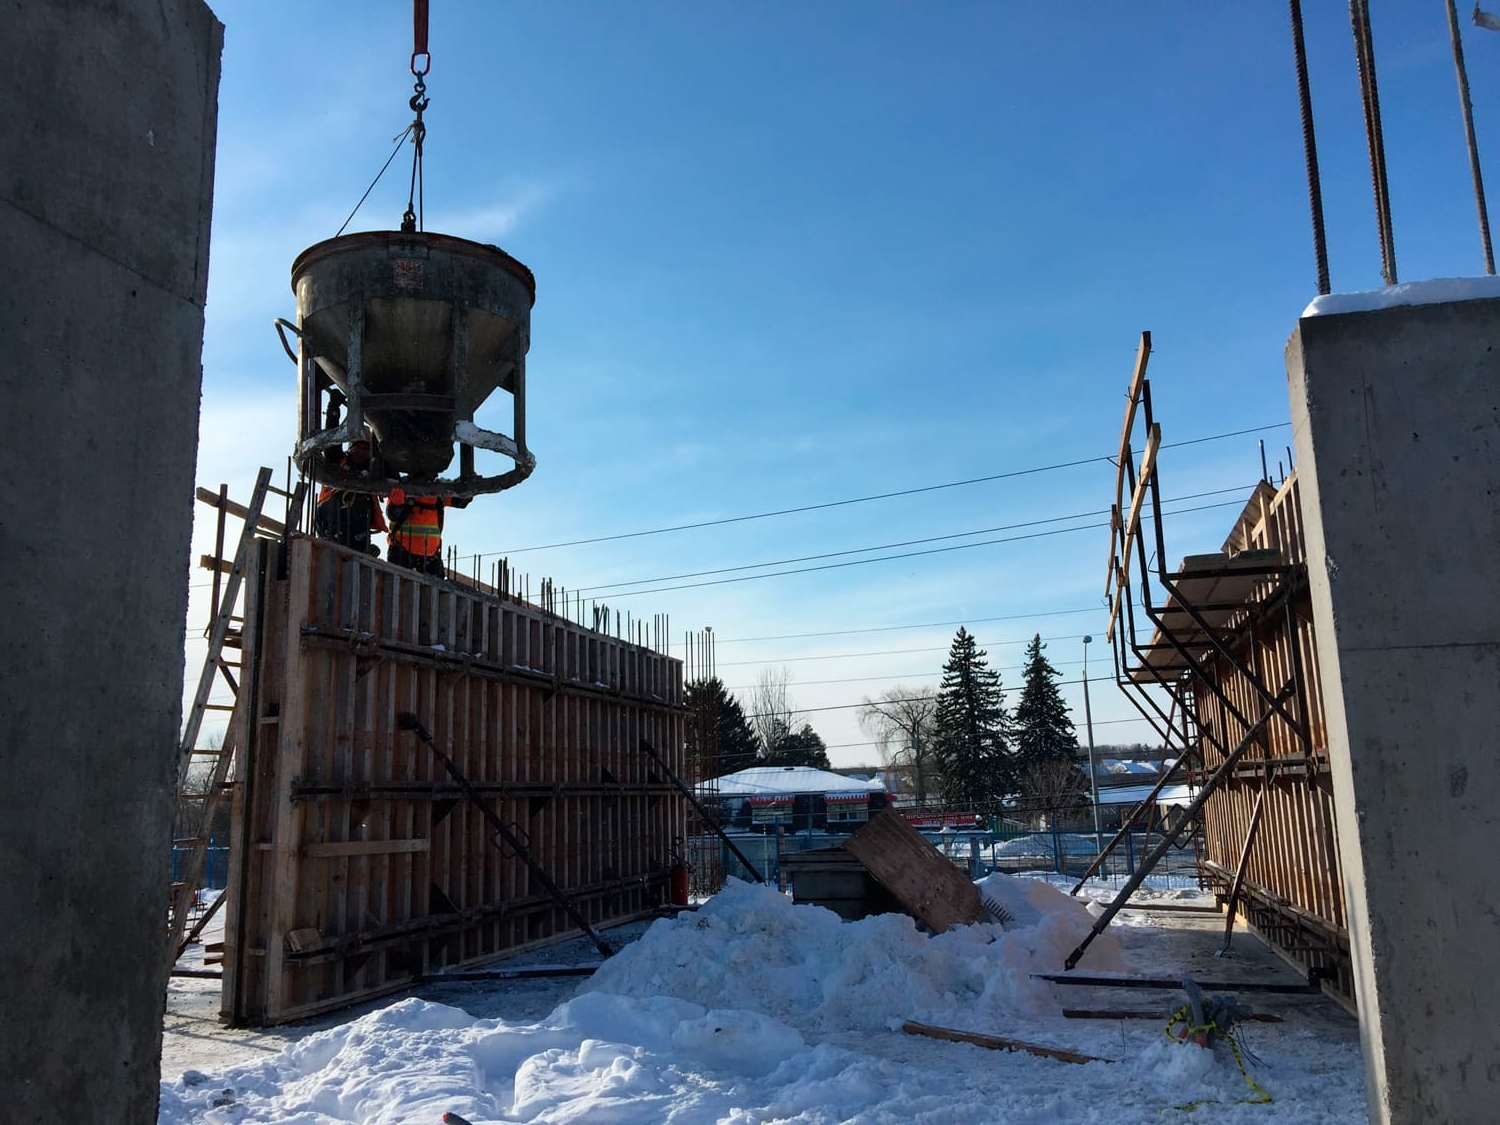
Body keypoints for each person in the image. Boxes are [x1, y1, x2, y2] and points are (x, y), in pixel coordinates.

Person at [314, 439, 387, 555]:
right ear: (350, 449)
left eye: (366, 449)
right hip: (329, 518)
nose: (361, 452)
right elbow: (332, 443)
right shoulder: (338, 461)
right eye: (358, 447)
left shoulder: (374, 470)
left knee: (364, 507)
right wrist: (333, 420)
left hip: (356, 526)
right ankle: (336, 535)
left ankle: (362, 547)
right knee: (337, 504)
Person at [385, 485, 470, 577]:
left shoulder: (437, 491)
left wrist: (467, 487)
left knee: (433, 589)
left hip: (429, 554)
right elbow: (393, 514)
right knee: (398, 586)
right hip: (402, 551)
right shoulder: (403, 488)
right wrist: (398, 504)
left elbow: (460, 501)